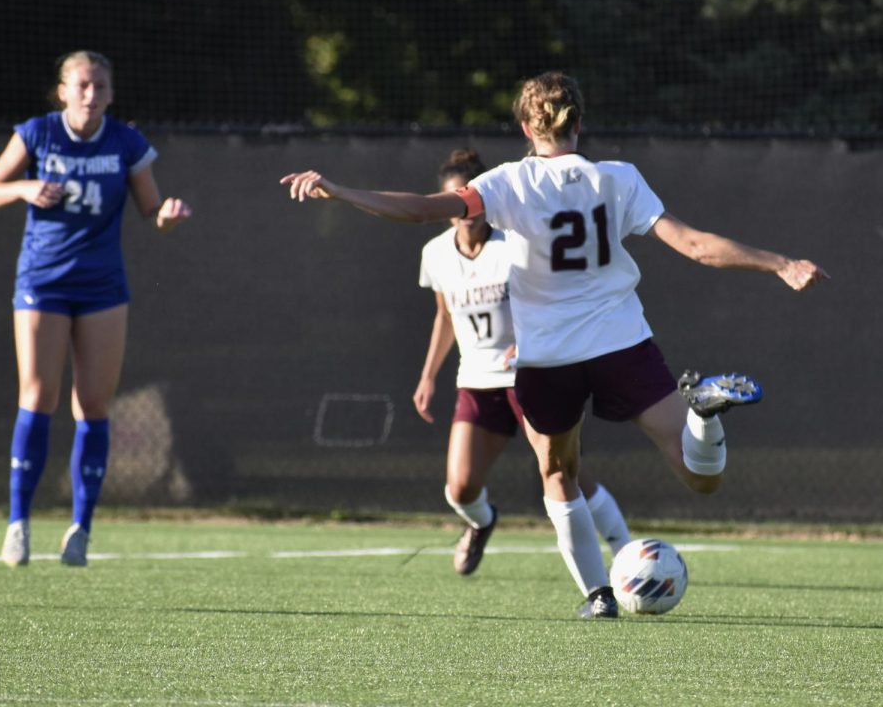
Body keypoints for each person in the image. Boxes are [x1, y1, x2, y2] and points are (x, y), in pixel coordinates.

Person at [281, 71, 827, 619]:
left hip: (548, 361)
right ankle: (705, 415)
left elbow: (423, 209)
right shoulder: (618, 178)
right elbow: (695, 246)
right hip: (622, 346)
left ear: (525, 127)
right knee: (702, 477)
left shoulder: (507, 183)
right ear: (580, 123)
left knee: (558, 472)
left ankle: (597, 596)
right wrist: (781, 263)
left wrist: (338, 189)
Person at [0, 51, 192, 568]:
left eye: (99, 87)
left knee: (93, 405)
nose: (90, 95)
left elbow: (150, 210)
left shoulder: (126, 143)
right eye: (81, 86)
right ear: (63, 90)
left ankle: (80, 529)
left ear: (111, 94)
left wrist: (168, 216)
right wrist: (27, 187)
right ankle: (18, 523)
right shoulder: (36, 133)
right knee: (37, 395)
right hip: (42, 281)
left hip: (102, 287)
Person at [415, 148, 630, 575]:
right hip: (476, 380)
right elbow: (444, 316)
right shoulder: (436, 254)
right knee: (459, 489)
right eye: (453, 203)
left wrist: (533, 340)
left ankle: (624, 551)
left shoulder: (513, 244)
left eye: (468, 200)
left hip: (531, 374)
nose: (463, 212)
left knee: (568, 474)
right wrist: (428, 377)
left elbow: (553, 296)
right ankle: (482, 522)